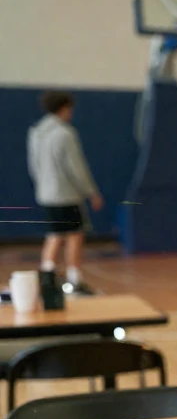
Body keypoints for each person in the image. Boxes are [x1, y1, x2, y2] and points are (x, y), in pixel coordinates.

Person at [27, 91, 103, 295]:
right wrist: (91, 192)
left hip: (46, 193)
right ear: (64, 108)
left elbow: (34, 165)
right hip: (66, 194)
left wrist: (42, 186)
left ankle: (47, 277)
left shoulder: (36, 132)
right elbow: (76, 167)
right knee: (74, 235)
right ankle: (75, 280)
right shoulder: (65, 133)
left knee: (54, 234)